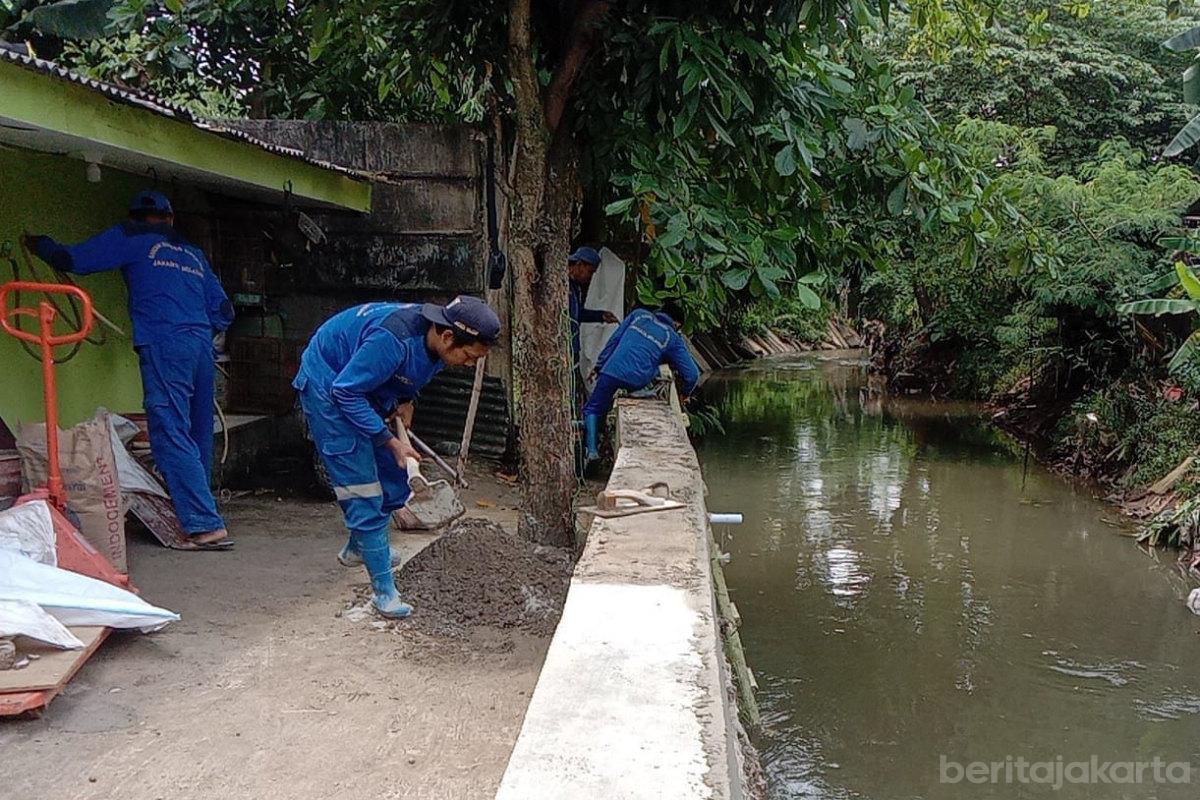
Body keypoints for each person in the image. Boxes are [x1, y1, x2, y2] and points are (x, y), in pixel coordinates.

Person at [24, 190, 235, 549]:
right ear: (170, 219)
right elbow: (224, 310)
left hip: (165, 340)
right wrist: (196, 329)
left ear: (135, 216)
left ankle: (203, 523)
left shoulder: (130, 236)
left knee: (169, 431)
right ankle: (205, 509)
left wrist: (38, 244)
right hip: (200, 343)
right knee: (198, 431)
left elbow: (74, 259)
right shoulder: (193, 253)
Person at [293, 296, 499, 619]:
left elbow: (404, 375)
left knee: (392, 474)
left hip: (363, 385)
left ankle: (360, 548)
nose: (469, 365)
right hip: (329, 384)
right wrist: (388, 439)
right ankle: (385, 593)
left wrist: (406, 399)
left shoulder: (434, 342)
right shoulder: (392, 340)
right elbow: (344, 391)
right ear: (447, 336)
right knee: (361, 486)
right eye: (469, 356)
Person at [582, 301, 700, 462]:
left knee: (592, 409)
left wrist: (599, 366)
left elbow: (614, 341)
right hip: (638, 379)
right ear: (676, 324)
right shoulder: (672, 337)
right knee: (659, 367)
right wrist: (685, 394)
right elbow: (692, 375)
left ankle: (592, 451)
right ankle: (640, 390)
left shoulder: (638, 315)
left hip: (611, 370)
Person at [567, 246, 618, 374]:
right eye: (589, 272)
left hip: (572, 347)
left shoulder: (575, 288)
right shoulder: (563, 286)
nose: (590, 278)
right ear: (579, 265)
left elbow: (578, 314)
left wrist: (600, 316)